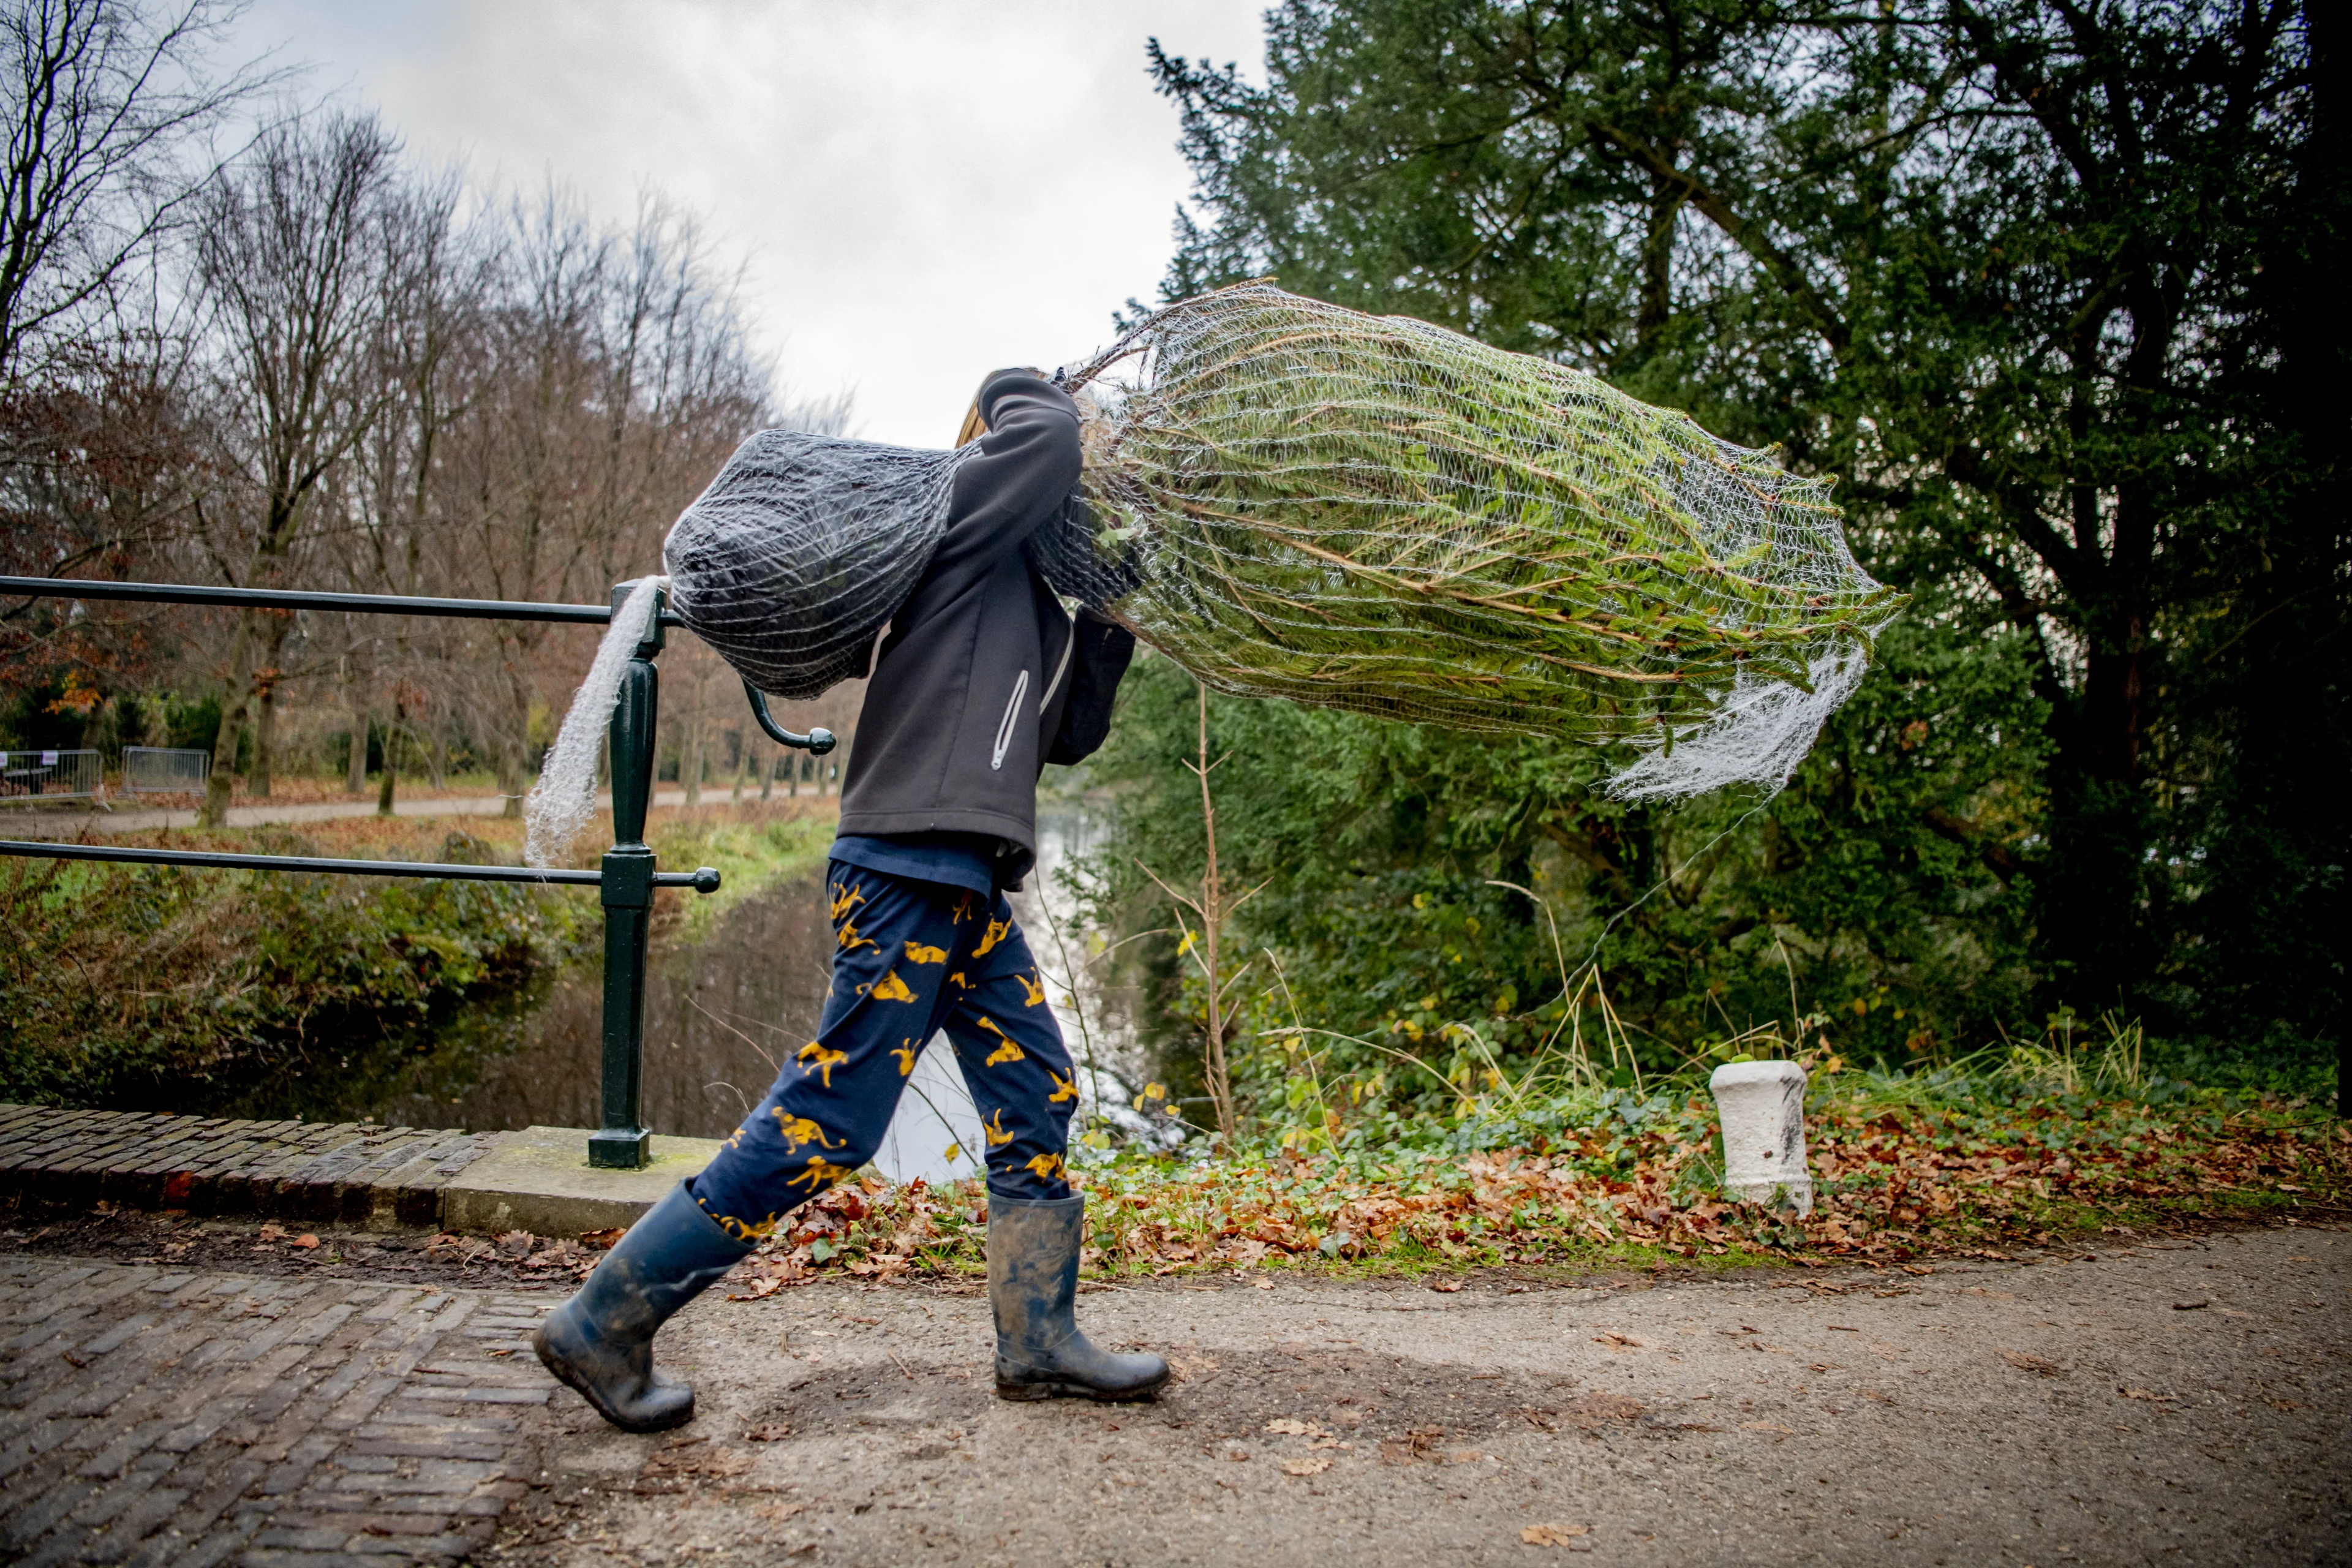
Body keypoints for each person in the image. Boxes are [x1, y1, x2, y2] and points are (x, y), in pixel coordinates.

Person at [534, 369, 1165, 1433]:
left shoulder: (1029, 600)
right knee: (833, 1119)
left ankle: (1039, 1341)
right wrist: (1031, 385)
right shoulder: (964, 531)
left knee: (1038, 1091)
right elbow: (1046, 434)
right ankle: (604, 1319)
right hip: (905, 871)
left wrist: (1106, 614)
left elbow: (1068, 737)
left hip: (961, 885)